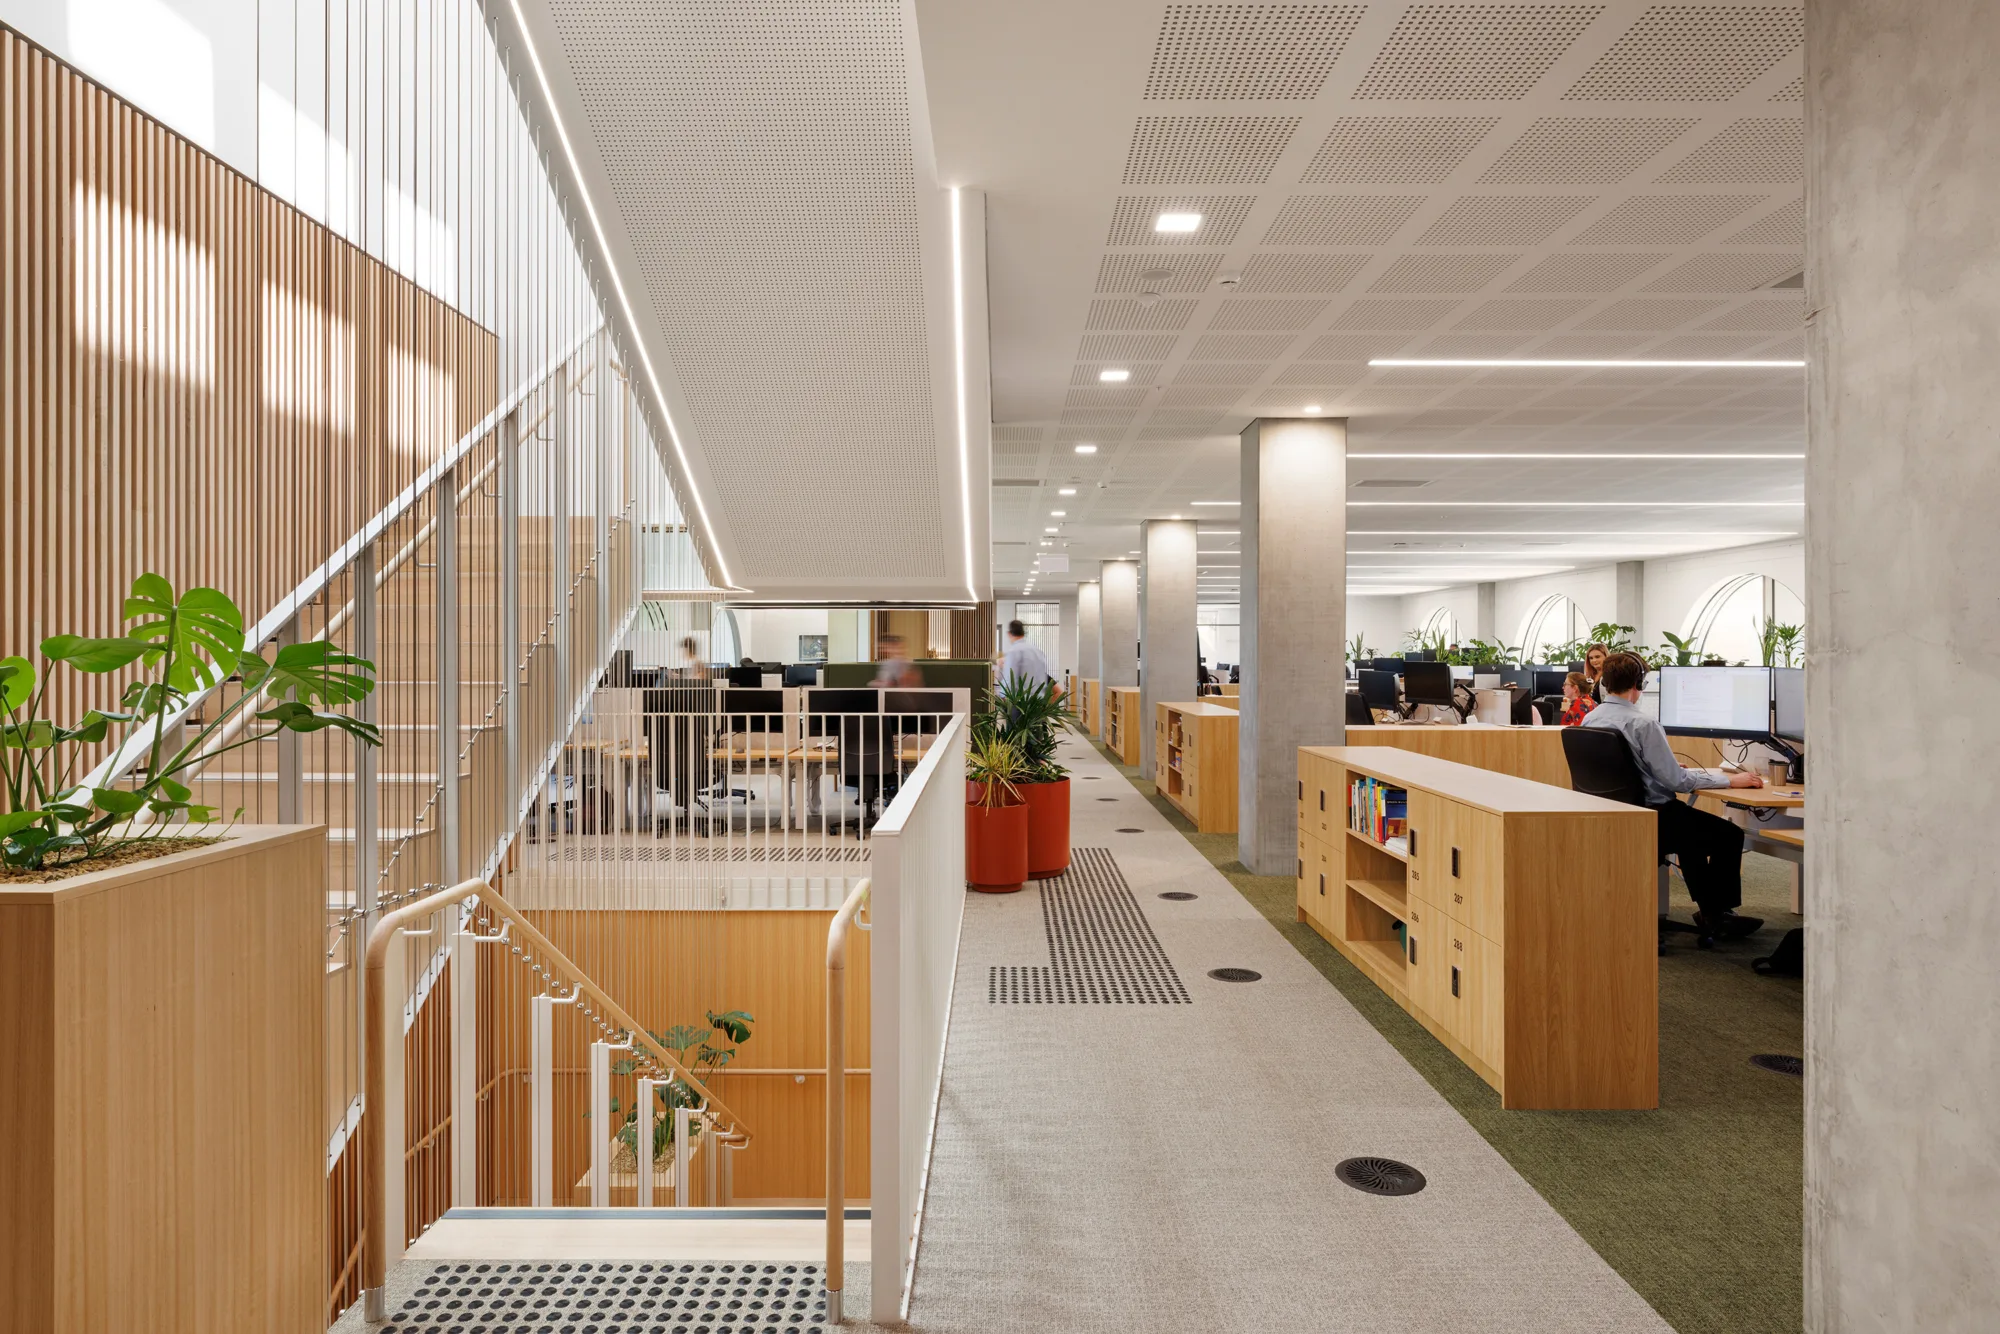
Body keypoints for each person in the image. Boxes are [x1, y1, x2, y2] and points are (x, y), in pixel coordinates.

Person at [1583, 652, 1766, 941]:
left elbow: (1625, 767)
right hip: (1655, 816)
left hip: (1615, 814)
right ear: (1638, 683)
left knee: (1690, 831)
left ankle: (1711, 912)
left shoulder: (1591, 718)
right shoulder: (1644, 724)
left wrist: (1659, 766)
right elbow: (1676, 781)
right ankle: (1717, 915)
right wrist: (1731, 780)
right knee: (1728, 834)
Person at [998, 619, 1054, 692]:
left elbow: (1010, 681)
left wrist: (1003, 695)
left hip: (1021, 701)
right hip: (1039, 700)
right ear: (1023, 634)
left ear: (1009, 634)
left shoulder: (1013, 652)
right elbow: (1042, 679)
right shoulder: (1037, 651)